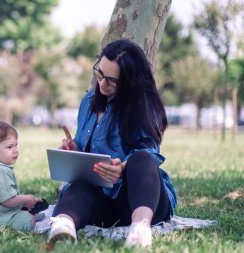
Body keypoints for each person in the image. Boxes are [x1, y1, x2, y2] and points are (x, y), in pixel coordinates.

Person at [48, 39, 177, 247]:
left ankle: (139, 231)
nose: (102, 84)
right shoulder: (88, 101)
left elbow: (151, 155)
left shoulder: (143, 105)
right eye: (99, 74)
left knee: (142, 159)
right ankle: (63, 226)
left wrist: (122, 168)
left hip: (139, 200)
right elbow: (88, 152)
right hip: (104, 203)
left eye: (111, 80)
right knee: (81, 185)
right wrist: (75, 151)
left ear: (130, 81)